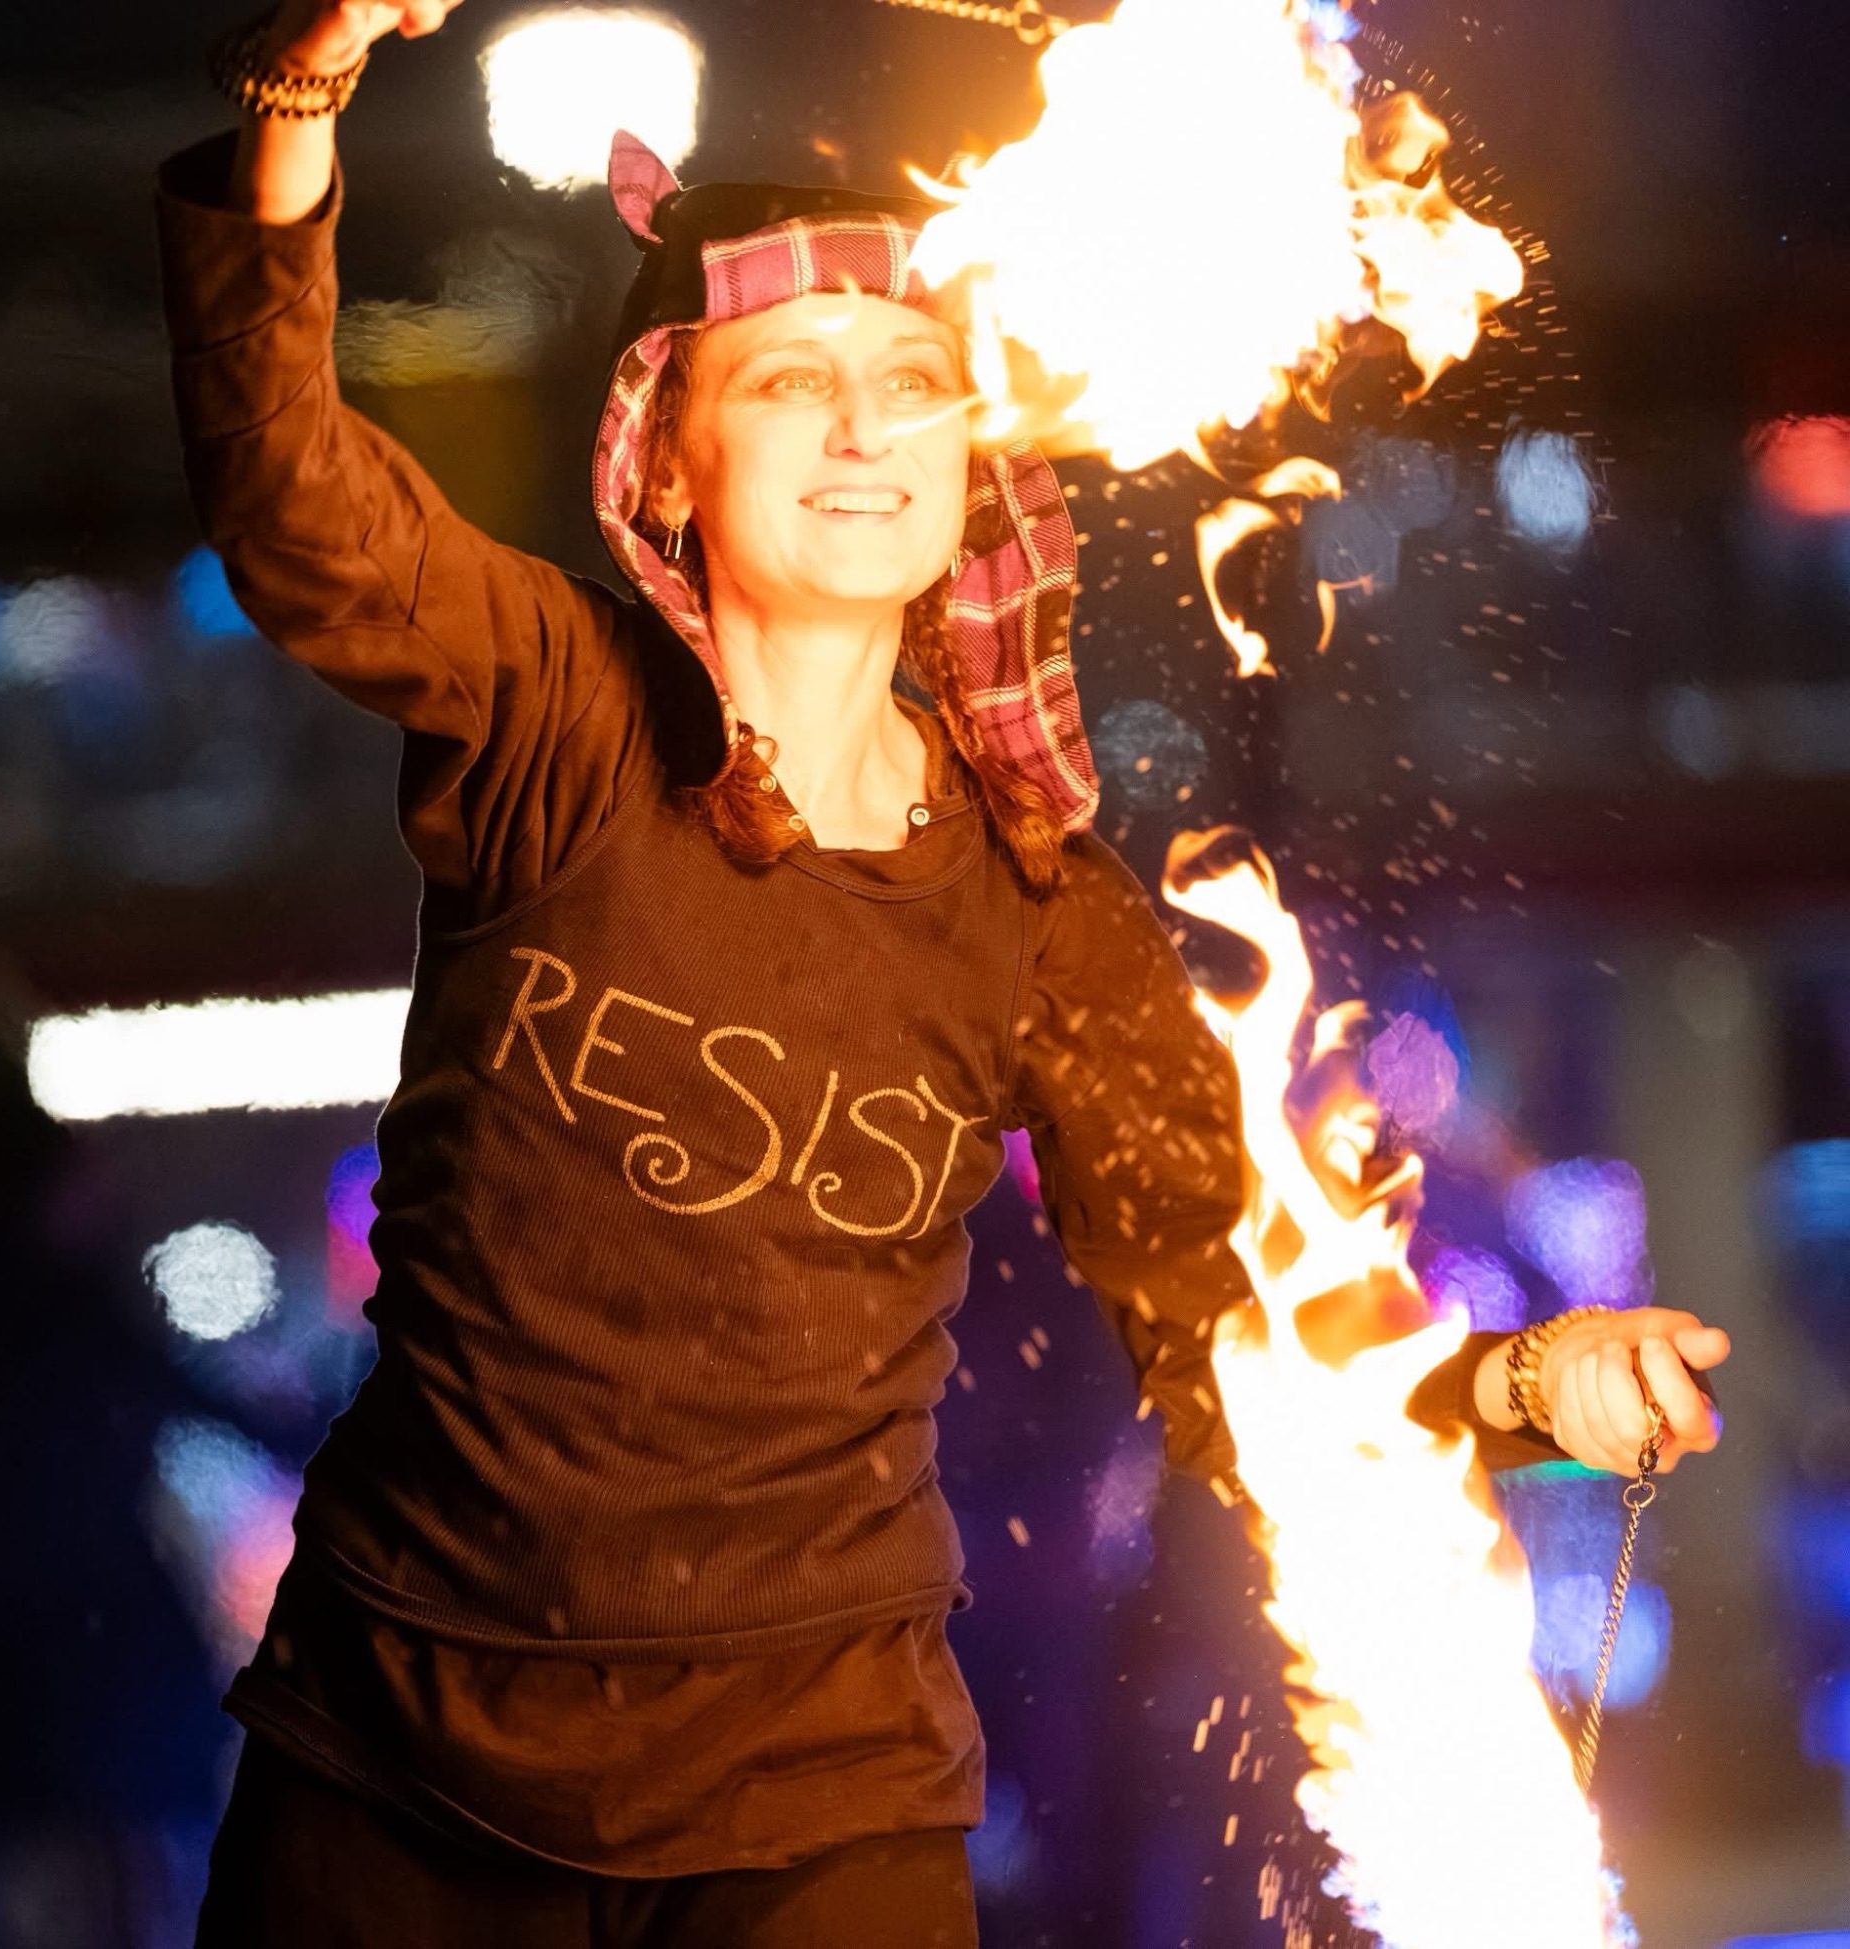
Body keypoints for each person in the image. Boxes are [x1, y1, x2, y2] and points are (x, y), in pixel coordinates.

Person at [157, 3, 1732, 1941]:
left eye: (910, 379)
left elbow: (1231, 1313)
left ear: (969, 463)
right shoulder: (557, 712)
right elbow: (295, 504)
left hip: (816, 1795)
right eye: (787, 379)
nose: (860, 428)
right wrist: (301, 91)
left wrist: (1527, 1380)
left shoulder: (1038, 906)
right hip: (405, 1760)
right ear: (666, 459)